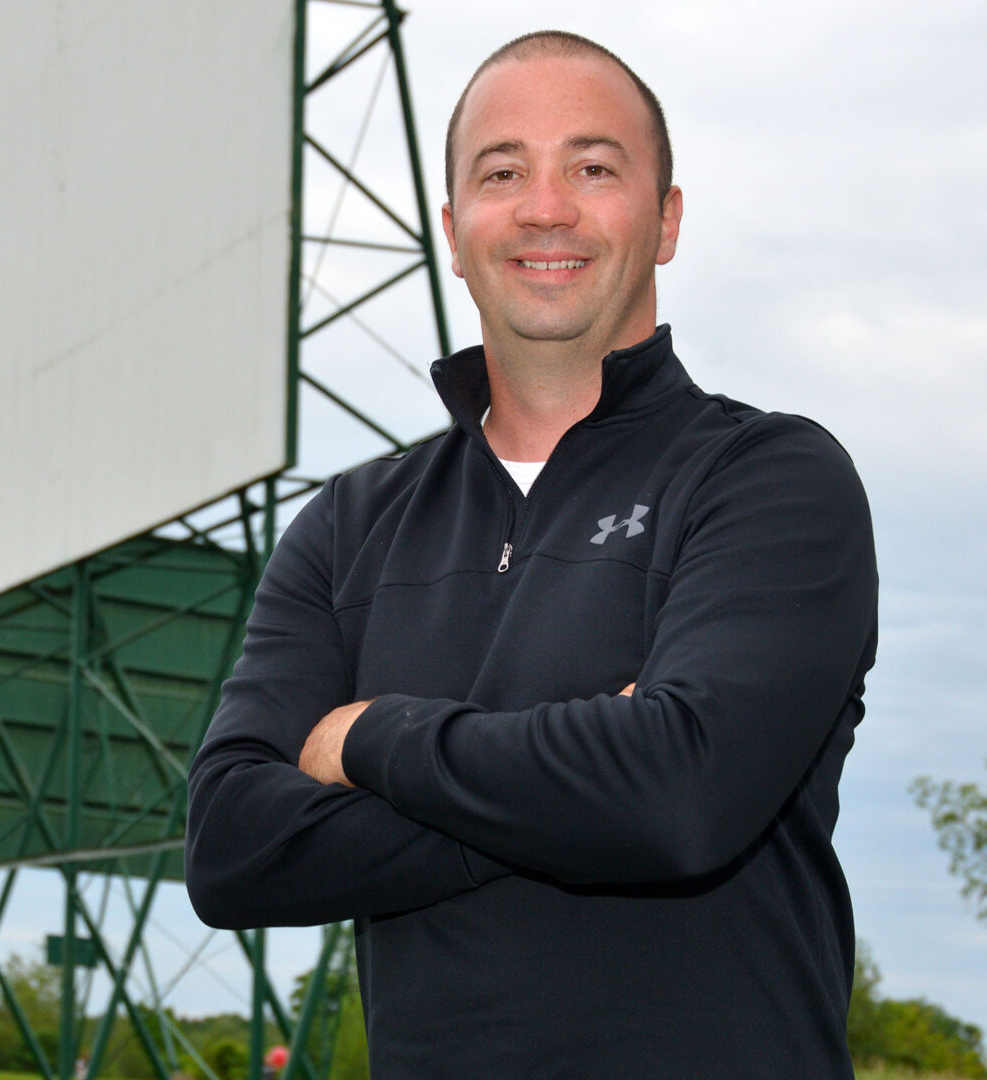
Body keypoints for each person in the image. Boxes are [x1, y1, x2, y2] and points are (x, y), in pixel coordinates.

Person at [184, 29, 876, 1080]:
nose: (546, 206)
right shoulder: (347, 524)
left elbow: (679, 802)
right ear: (456, 232)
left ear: (667, 220)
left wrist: (376, 740)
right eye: (503, 172)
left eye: (594, 168)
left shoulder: (771, 479)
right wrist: (588, 776)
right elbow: (231, 848)